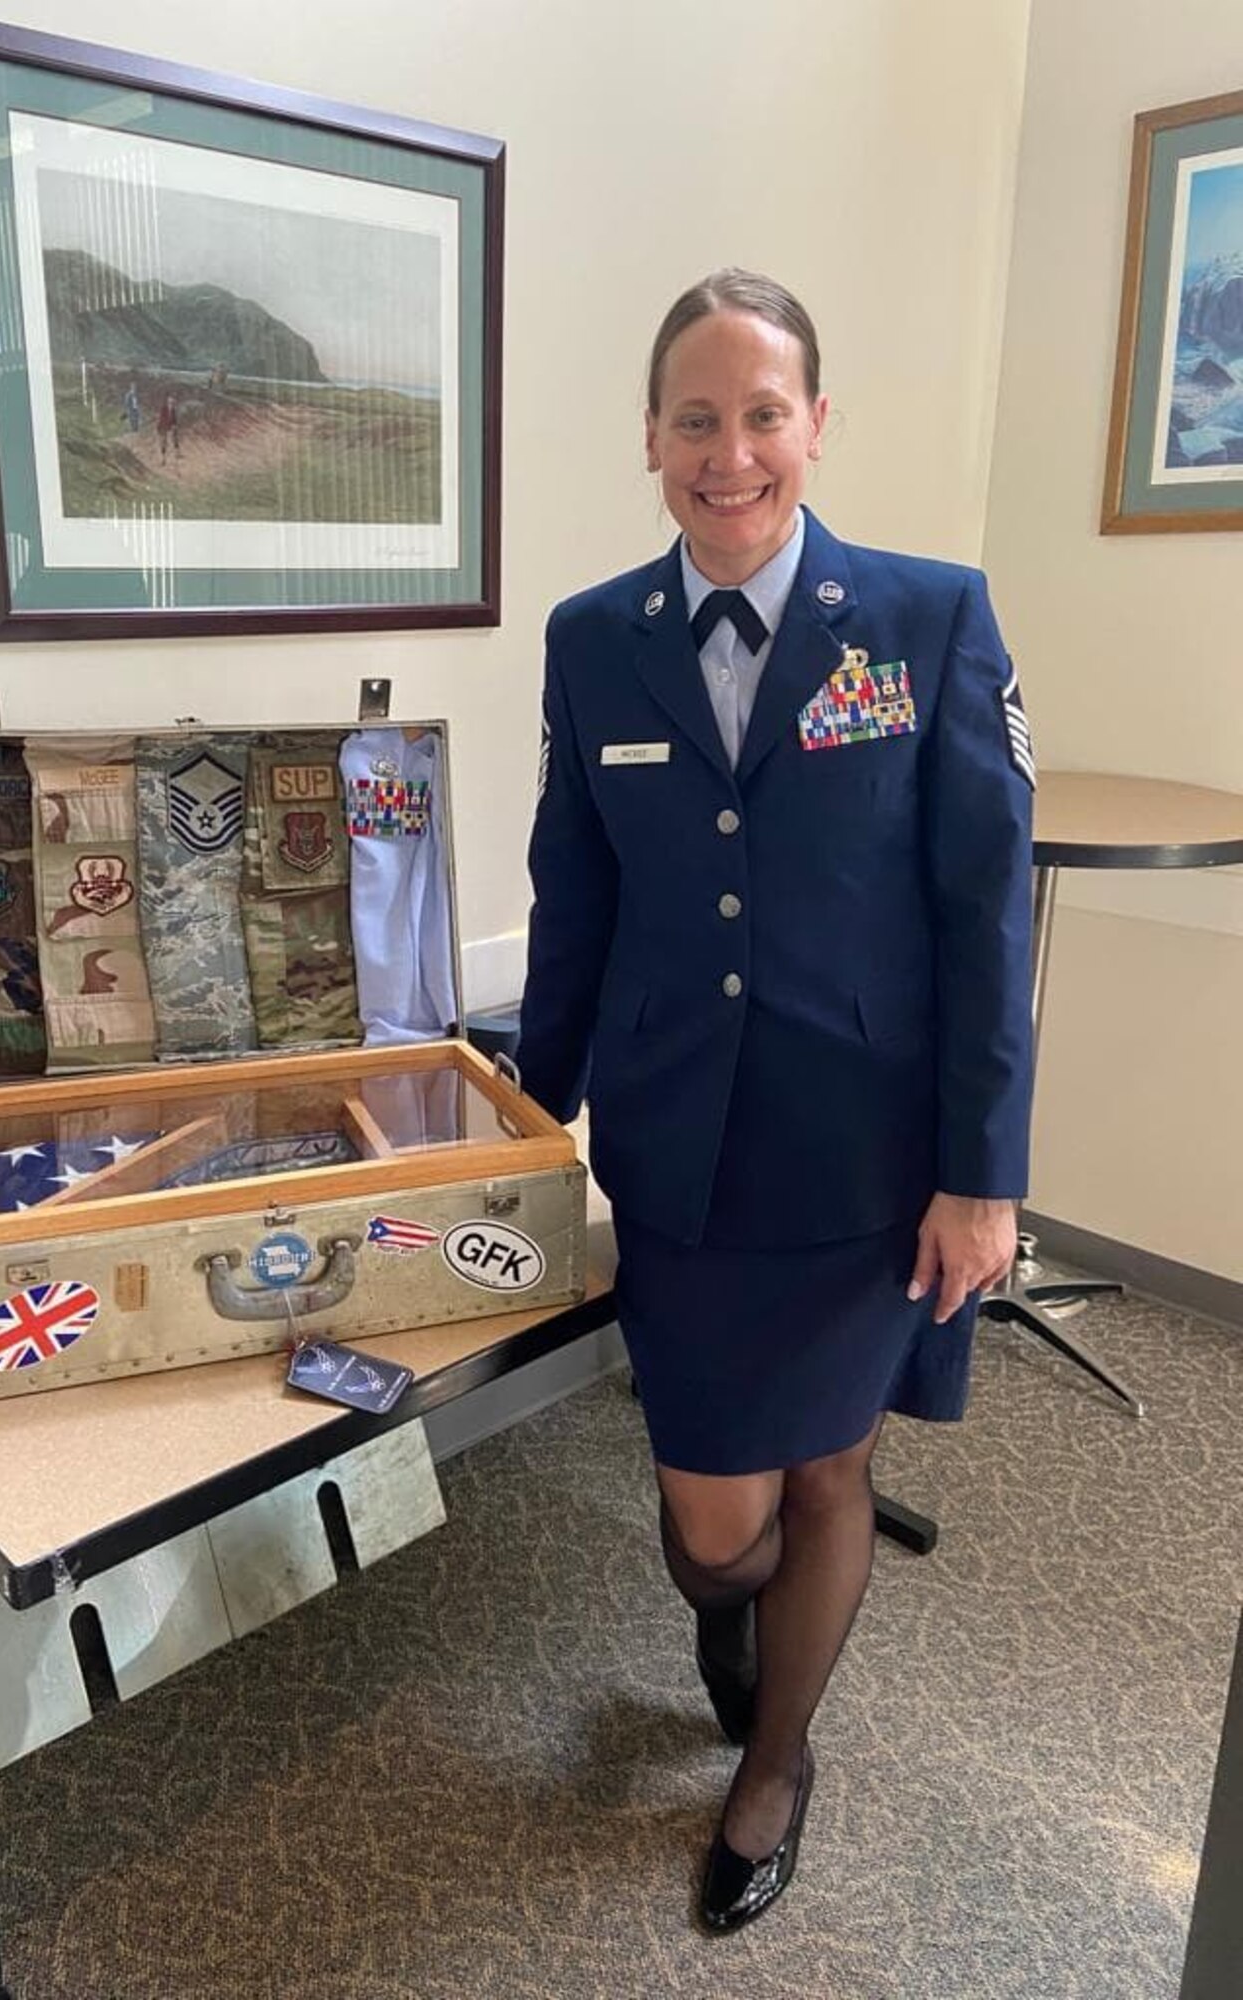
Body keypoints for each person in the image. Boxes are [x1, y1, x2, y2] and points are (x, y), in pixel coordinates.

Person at [517, 270, 1034, 1933]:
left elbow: (982, 910)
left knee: (828, 1477)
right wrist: (532, 1121)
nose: (728, 452)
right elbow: (572, 894)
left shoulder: (928, 617)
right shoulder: (597, 641)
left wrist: (984, 1171)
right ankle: (734, 1621)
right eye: (695, 418)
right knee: (710, 1526)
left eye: (762, 415)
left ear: (816, 427)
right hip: (679, 1147)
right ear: (651, 439)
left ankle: (776, 1764)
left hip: (870, 1159)